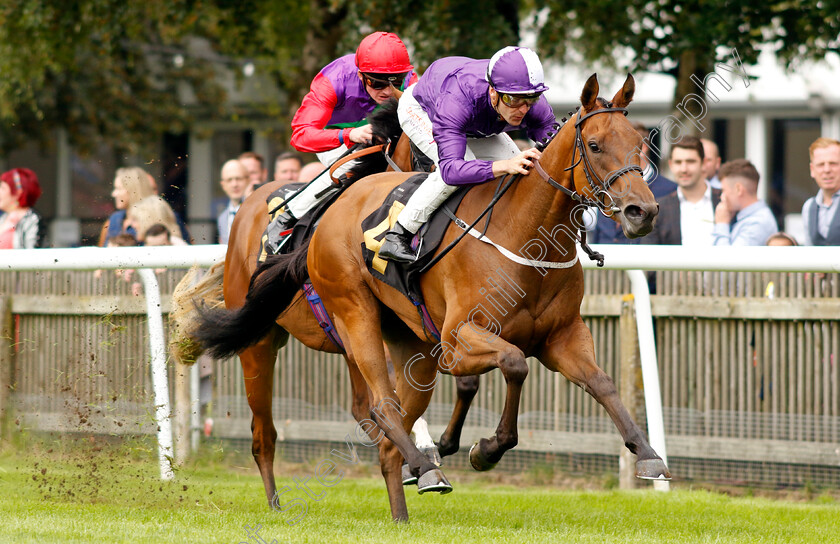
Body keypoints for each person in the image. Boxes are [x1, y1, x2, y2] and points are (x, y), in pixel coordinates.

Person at [378, 46, 557, 262]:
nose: (522, 109)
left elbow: (554, 149)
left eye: (531, 99)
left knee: (521, 169)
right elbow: (451, 170)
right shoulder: (458, 98)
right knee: (464, 170)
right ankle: (399, 234)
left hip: (478, 122)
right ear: (493, 91)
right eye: (513, 100)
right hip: (424, 110)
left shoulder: (530, 103)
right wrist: (504, 165)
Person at [265, 31, 418, 250]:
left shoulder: (410, 81)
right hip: (337, 139)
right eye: (377, 84)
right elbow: (300, 136)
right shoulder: (332, 81)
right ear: (360, 75)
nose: (387, 91)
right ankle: (286, 218)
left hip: (382, 137)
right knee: (351, 165)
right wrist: (348, 135)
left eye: (396, 83)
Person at [589, 123, 677, 244]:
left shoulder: (669, 189)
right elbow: (599, 233)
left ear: (642, 147)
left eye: (621, 147)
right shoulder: (606, 186)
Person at [641, 136, 720, 246]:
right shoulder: (657, 210)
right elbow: (648, 255)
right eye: (678, 162)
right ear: (671, 165)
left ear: (704, 163)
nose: (684, 169)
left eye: (690, 161)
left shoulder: (725, 201)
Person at [711, 159, 778, 246]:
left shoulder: (757, 223)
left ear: (738, 189)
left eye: (724, 190)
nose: (722, 196)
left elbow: (726, 258)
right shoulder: (748, 219)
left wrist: (721, 224)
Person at [98, 167, 157, 246]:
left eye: (118, 189)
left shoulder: (155, 218)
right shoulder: (115, 219)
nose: (114, 194)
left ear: (133, 190)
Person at [801, 137, 840, 245]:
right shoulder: (808, 207)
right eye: (821, 165)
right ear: (812, 170)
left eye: (833, 163)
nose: (827, 170)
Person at [0, 168, 43, 249]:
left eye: (3, 188)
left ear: (18, 192)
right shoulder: (3, 217)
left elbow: (33, 255)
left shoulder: (32, 219)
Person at [216, 159, 249, 244]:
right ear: (223, 185)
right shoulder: (222, 218)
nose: (234, 184)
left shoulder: (258, 211)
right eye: (229, 180)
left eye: (238, 179)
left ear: (248, 180)